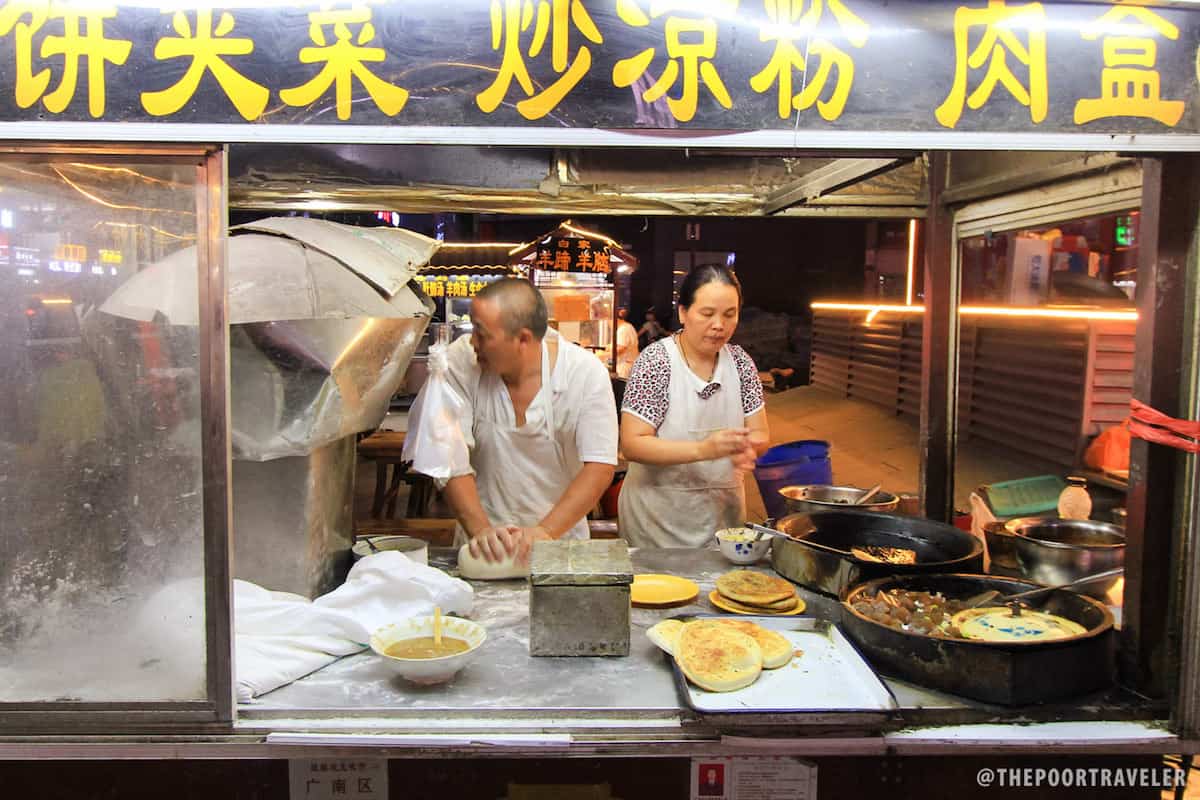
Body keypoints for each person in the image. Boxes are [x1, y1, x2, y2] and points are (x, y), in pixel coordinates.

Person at [439, 278, 618, 563]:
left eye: (482, 334)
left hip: (561, 544)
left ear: (522, 339)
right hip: (482, 547)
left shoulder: (584, 373)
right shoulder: (461, 361)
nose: (473, 342)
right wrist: (482, 532)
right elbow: (449, 455)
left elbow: (599, 466)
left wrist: (545, 532)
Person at [618, 265, 769, 548]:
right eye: (707, 313)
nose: (719, 325)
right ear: (683, 312)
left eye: (729, 314)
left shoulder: (741, 363)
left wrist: (748, 447)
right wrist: (704, 450)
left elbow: (760, 434)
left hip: (723, 523)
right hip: (656, 525)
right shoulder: (656, 362)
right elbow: (633, 444)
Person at [615, 307, 639, 378]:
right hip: (629, 364)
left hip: (624, 366)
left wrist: (603, 354)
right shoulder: (628, 326)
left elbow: (620, 348)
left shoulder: (623, 330)